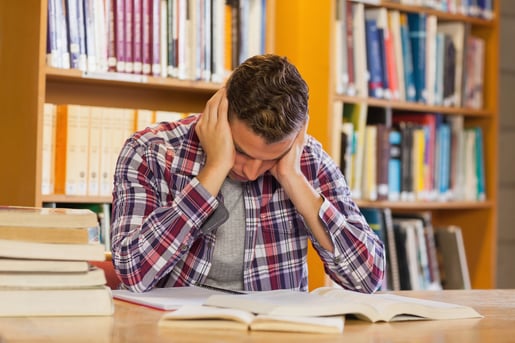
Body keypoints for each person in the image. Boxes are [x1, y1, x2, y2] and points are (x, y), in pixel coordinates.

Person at [111, 54, 385, 293]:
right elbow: (133, 272)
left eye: (270, 158)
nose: (252, 171)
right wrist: (214, 169)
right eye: (241, 151)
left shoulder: (308, 159)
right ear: (219, 112)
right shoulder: (151, 151)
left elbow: (367, 279)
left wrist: (293, 178)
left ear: (298, 134)